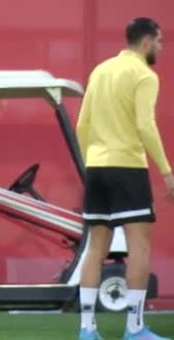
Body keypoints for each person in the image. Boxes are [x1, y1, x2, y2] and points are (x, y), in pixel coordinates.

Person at [76, 17, 174, 340]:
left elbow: (82, 127)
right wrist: (166, 171)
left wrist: (91, 163)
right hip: (128, 168)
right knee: (140, 247)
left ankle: (87, 330)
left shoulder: (100, 71)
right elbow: (146, 126)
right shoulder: (144, 75)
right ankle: (134, 329)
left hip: (97, 167)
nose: (161, 47)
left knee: (95, 249)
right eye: (159, 42)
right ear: (146, 42)